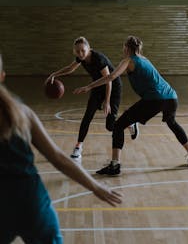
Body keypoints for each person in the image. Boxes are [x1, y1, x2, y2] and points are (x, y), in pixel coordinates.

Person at [0, 54, 122, 244]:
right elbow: (58, 157)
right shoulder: (22, 113)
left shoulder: (98, 60)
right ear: (3, 76)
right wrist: (94, 186)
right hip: (32, 202)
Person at [74, 35, 188, 176]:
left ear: (126, 48)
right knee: (172, 123)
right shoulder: (145, 59)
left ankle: (115, 165)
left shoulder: (128, 61)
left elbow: (110, 77)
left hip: (155, 99)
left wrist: (88, 87)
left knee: (119, 125)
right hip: (171, 97)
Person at [46, 36, 139, 161]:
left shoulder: (98, 59)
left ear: (89, 49)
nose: (80, 53)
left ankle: (130, 123)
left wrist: (107, 101)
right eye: (77, 51)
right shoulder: (81, 58)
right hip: (97, 87)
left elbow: (108, 80)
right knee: (87, 116)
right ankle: (78, 147)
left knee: (110, 126)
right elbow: (70, 68)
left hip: (113, 87)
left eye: (83, 50)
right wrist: (54, 74)